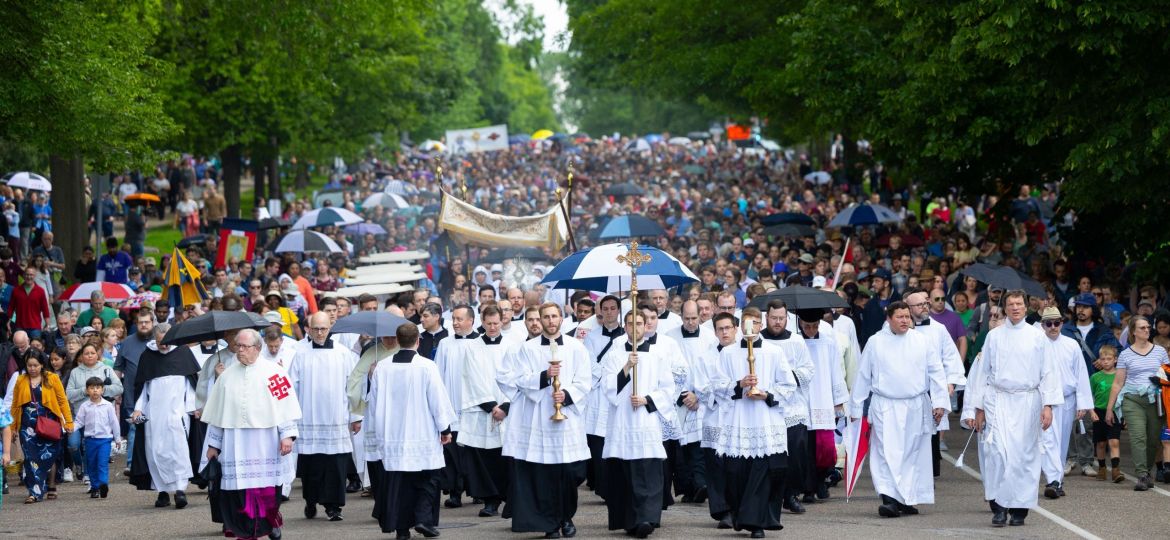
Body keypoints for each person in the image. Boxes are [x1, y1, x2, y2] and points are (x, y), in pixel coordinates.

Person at [967, 290, 1061, 527]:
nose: (1015, 308)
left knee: (1023, 457)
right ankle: (998, 507)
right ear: (1005, 308)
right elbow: (983, 372)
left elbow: (1048, 371)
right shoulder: (994, 336)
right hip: (998, 400)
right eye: (1011, 304)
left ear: (1026, 307)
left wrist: (1047, 406)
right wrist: (978, 408)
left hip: (1028, 402)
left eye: (1019, 304)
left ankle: (1019, 508)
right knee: (997, 453)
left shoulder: (1037, 337)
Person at [499, 302, 591, 538]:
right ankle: (550, 523)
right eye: (545, 317)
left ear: (561, 318)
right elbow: (520, 380)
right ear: (539, 320)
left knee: (569, 474)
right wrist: (544, 377)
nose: (550, 321)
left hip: (567, 421)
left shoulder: (576, 347)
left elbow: (585, 381)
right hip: (540, 420)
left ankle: (567, 517)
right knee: (544, 475)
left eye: (554, 316)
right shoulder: (527, 349)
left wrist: (567, 395)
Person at [850, 301, 948, 518]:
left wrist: (940, 402)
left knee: (911, 453)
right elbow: (863, 375)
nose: (905, 321)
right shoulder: (876, 342)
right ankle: (889, 498)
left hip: (915, 404)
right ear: (889, 319)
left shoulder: (922, 341)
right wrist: (856, 407)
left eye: (907, 317)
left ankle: (905, 498)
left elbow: (936, 371)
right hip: (886, 405)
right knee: (886, 452)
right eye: (900, 317)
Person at [201, 328, 301, 540]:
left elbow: (285, 407)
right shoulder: (226, 376)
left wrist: (287, 435)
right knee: (238, 491)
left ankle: (267, 523)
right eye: (238, 346)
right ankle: (244, 530)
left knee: (264, 488)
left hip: (264, 442)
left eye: (245, 346)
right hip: (235, 443)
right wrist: (213, 445)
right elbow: (219, 414)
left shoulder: (274, 372)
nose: (240, 350)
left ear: (258, 348)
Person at [364, 322, 455, 539]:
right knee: (428, 478)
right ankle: (423, 519)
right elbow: (437, 401)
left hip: (392, 436)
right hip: (421, 433)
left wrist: (378, 433)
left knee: (400, 485)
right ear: (418, 340)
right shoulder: (426, 366)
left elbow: (373, 404)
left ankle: (402, 530)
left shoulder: (382, 367)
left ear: (396, 340)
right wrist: (445, 428)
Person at [711, 308, 796, 538]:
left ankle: (758, 522)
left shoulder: (774, 352)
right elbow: (717, 386)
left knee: (765, 472)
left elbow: (789, 385)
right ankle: (741, 516)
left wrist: (767, 395)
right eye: (747, 324)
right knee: (736, 473)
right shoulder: (727, 354)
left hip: (765, 421)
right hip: (738, 420)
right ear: (740, 327)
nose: (752, 328)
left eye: (756, 323)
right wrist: (739, 384)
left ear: (761, 325)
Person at [598, 310, 672, 537]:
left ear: (646, 325)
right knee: (625, 473)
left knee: (648, 472)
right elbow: (607, 388)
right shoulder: (614, 354)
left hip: (646, 419)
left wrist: (647, 399)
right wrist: (626, 368)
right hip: (622, 420)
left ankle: (647, 519)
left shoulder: (658, 354)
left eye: (639, 323)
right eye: (630, 323)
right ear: (625, 325)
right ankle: (630, 520)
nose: (634, 327)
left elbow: (668, 388)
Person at [289, 311, 361, 521]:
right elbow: (292, 387)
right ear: (309, 329)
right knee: (312, 466)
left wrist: (355, 416)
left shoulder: (343, 353)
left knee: (336, 465)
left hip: (336, 418)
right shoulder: (300, 354)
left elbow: (353, 387)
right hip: (309, 418)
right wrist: (292, 418)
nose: (320, 333)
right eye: (316, 329)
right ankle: (311, 501)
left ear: (330, 327)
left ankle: (334, 507)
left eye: (324, 329)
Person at [129, 323, 200, 510]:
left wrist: (193, 408)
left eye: (167, 341)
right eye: (160, 342)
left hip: (178, 412)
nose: (164, 345)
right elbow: (143, 388)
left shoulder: (183, 352)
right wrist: (138, 409)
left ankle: (180, 491)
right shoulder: (147, 356)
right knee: (155, 451)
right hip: (154, 414)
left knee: (178, 451)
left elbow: (190, 385)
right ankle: (162, 492)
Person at [457, 305, 512, 518]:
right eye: (488, 323)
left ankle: (510, 499)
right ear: (482, 321)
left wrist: (506, 406)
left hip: (508, 409)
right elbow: (471, 378)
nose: (492, 327)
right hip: (483, 410)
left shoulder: (512, 345)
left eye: (496, 323)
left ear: (502, 321)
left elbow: (517, 376)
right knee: (485, 459)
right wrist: (491, 407)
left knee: (506, 458)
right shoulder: (472, 347)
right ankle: (490, 500)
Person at [1104, 315, 1170, 491]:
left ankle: (1147, 471)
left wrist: (1161, 379)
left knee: (1153, 440)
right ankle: (1141, 474)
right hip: (1133, 399)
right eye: (1142, 328)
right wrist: (1110, 409)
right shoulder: (1125, 354)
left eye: (1148, 327)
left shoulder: (1160, 351)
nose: (1147, 330)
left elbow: (1168, 375)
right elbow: (1118, 383)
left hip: (1155, 400)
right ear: (1133, 332)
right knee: (1138, 436)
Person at [1037, 307, 1093, 499]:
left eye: (1056, 323)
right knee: (1048, 439)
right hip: (1044, 401)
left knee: (1061, 442)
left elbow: (1081, 374)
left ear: (1062, 323)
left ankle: (1057, 481)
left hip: (1067, 400)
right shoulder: (1036, 344)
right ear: (1042, 324)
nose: (1053, 327)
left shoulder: (1071, 344)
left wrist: (1082, 403)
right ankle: (1052, 479)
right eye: (1048, 323)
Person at [8, 352, 72, 504]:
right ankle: (34, 492)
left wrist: (68, 422)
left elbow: (63, 401)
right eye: (29, 365)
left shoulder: (52, 378)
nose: (32, 368)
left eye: (35, 365)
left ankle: (51, 485)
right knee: (30, 458)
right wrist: (13, 427)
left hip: (49, 422)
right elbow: (15, 405)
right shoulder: (21, 380)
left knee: (50, 455)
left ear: (42, 364)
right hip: (27, 426)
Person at [433, 304, 478, 508]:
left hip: (475, 405)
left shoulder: (480, 341)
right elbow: (439, 375)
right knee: (452, 454)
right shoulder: (445, 343)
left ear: (471, 320)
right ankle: (455, 493)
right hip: (452, 404)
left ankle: (477, 491)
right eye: (454, 319)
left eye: (460, 319)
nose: (456, 323)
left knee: (473, 452)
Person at [582, 295, 624, 498]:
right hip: (599, 393)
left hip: (619, 392)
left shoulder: (626, 336)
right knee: (599, 442)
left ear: (618, 310)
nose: (609, 312)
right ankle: (604, 487)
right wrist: (606, 375)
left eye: (612, 308)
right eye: (605, 308)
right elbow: (589, 364)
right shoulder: (592, 337)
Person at [64, 343, 122, 482]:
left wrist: (101, 391)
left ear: (98, 355)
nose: (89, 355)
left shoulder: (106, 369)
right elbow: (69, 394)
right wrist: (85, 391)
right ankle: (79, 465)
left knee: (89, 445)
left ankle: (88, 474)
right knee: (73, 444)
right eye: (86, 353)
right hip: (78, 414)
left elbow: (119, 388)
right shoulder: (75, 372)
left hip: (99, 414)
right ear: (81, 356)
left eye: (92, 353)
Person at [74, 376, 119, 498]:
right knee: (91, 464)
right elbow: (79, 421)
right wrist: (70, 428)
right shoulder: (85, 406)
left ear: (102, 390)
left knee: (102, 463)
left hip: (105, 439)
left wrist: (118, 438)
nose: (95, 390)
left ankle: (103, 484)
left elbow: (114, 422)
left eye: (98, 388)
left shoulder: (108, 405)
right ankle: (95, 487)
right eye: (92, 388)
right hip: (90, 440)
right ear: (87, 390)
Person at [1088, 344, 1124, 482]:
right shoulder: (1095, 377)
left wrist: (1124, 415)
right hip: (1098, 412)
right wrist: (1091, 412)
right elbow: (1088, 396)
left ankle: (1116, 470)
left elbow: (1123, 395)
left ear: (1115, 359)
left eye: (1109, 358)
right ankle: (1102, 468)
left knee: (1114, 441)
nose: (1106, 361)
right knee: (1101, 443)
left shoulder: (1120, 376)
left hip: (1115, 412)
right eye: (1103, 359)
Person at [11, 265, 50, 338]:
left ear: (35, 276)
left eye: (31, 275)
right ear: (23, 275)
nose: (29, 277)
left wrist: (48, 325)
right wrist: (8, 322)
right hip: (20, 326)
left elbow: (45, 309)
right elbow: (11, 307)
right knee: (19, 348)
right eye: (27, 274)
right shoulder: (16, 291)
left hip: (35, 327)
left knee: (35, 348)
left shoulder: (40, 291)